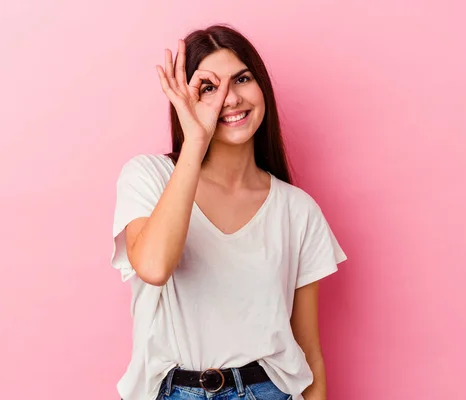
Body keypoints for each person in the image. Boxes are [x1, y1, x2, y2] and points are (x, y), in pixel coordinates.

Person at [110, 24, 347, 400]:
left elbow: (310, 355)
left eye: (241, 78)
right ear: (187, 100)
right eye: (209, 88)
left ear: (262, 86)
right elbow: (154, 267)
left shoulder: (297, 211)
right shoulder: (149, 177)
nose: (230, 98)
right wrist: (195, 141)